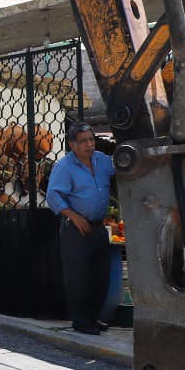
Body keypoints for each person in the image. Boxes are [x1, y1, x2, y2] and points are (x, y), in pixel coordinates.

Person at [46, 122, 116, 335]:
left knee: (101, 275)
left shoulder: (102, 161)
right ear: (72, 145)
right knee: (78, 277)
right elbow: (53, 196)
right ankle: (81, 321)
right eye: (84, 141)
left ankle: (94, 318)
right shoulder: (65, 167)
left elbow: (117, 178)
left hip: (98, 226)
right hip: (76, 227)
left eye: (91, 140)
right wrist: (74, 216)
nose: (89, 144)